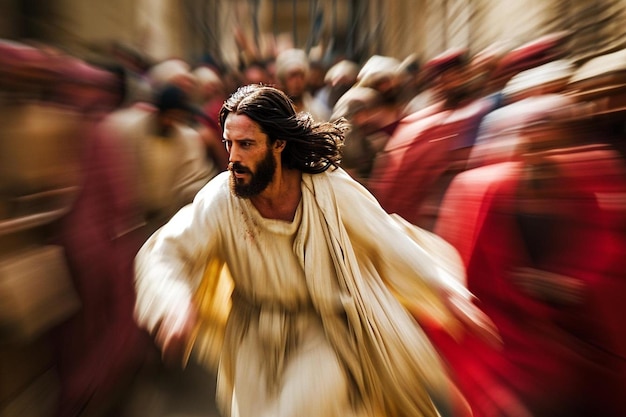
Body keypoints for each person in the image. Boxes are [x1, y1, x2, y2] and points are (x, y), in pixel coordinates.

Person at [133, 84, 498, 417]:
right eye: (229, 144)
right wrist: (175, 301)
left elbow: (387, 238)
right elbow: (169, 251)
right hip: (253, 338)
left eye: (246, 144)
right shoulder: (222, 197)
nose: (233, 158)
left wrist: (444, 289)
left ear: (278, 144)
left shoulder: (328, 188)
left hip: (324, 329)